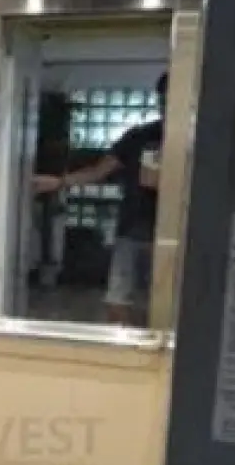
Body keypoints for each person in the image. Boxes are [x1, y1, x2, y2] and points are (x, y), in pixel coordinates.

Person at [33, 72, 167, 325]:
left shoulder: (199, 139)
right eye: (164, 99)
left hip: (175, 235)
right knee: (118, 299)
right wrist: (59, 182)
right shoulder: (139, 136)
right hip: (133, 229)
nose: (167, 105)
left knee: (166, 303)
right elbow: (98, 171)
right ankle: (121, 345)